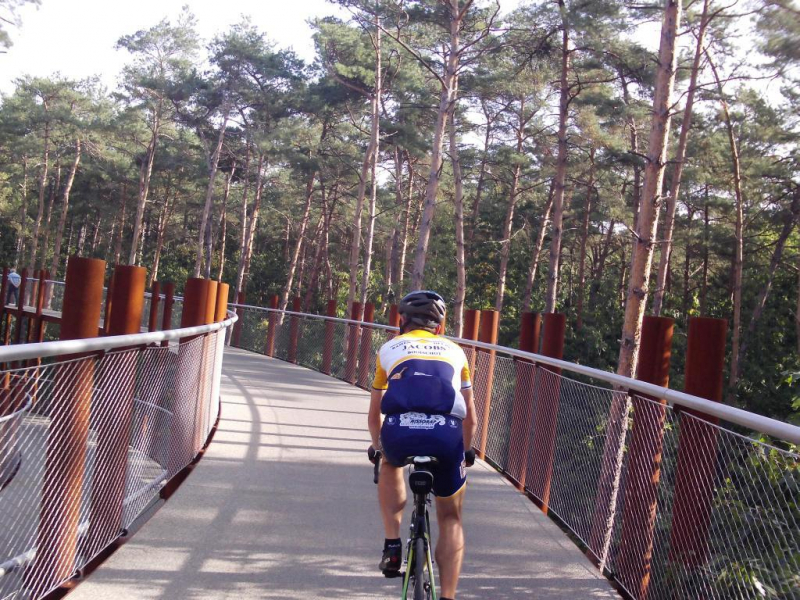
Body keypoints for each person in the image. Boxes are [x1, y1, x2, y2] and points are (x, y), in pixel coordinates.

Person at [368, 290, 477, 600]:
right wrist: (466, 451)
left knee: (389, 461)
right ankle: (448, 596)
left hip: (400, 431)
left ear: (401, 322)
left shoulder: (389, 348)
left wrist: (377, 447)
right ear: (439, 328)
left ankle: (392, 544)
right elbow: (470, 415)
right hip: (445, 434)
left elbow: (375, 413)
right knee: (451, 518)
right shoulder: (457, 352)